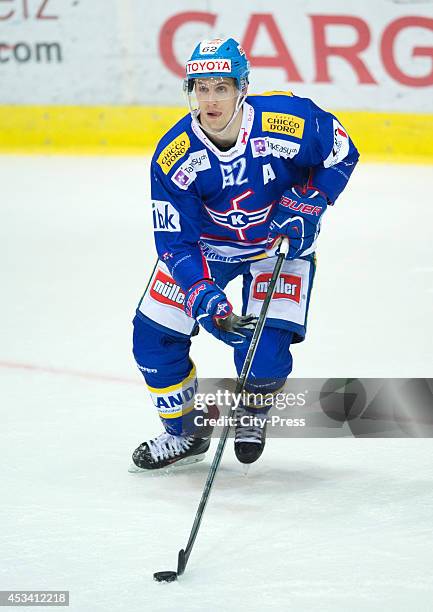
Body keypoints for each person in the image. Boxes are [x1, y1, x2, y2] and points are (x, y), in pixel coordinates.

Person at [129, 37, 359, 471]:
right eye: (201, 87)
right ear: (189, 91)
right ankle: (185, 432)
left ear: (242, 88)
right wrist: (202, 296)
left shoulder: (290, 121)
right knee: (152, 340)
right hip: (209, 247)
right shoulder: (174, 155)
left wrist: (311, 200)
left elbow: (343, 153)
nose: (210, 99)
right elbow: (176, 241)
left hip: (278, 244)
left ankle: (252, 410)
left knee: (265, 353)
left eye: (221, 87)